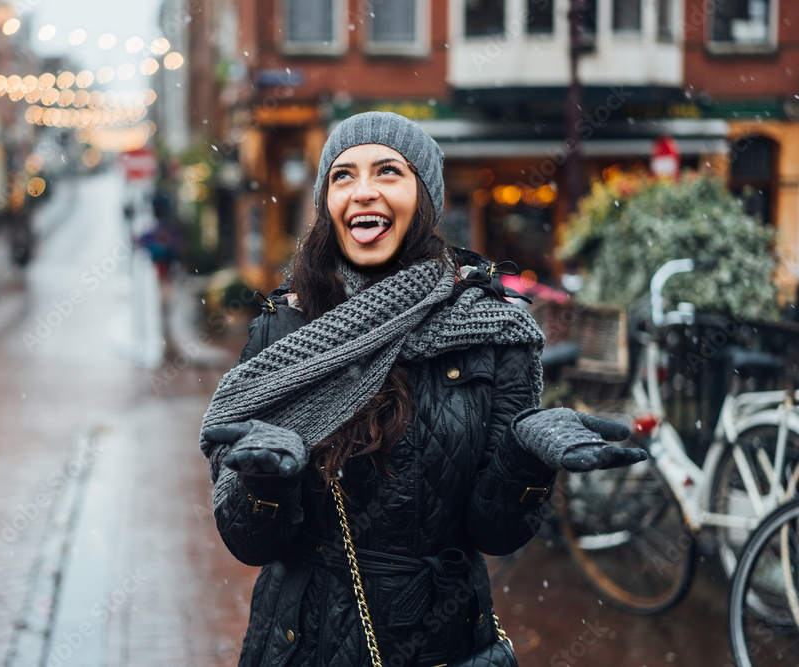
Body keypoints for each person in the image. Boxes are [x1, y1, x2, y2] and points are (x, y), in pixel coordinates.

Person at [199, 112, 645, 667]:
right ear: (326, 203)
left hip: (439, 637)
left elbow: (496, 532)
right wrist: (264, 484)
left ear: (425, 197)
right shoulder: (284, 328)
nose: (363, 192)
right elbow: (252, 545)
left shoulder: (491, 331)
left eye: (388, 172)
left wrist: (525, 461)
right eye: (343, 176)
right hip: (301, 640)